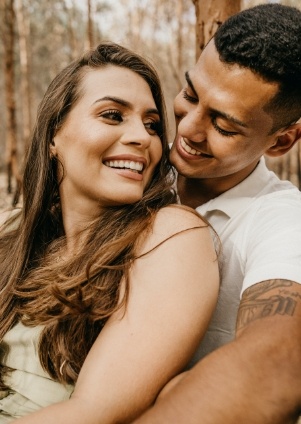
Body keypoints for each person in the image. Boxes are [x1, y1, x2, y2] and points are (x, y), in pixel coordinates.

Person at [0, 42, 219, 423]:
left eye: (152, 125)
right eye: (113, 115)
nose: (142, 137)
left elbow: (93, 412)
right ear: (55, 134)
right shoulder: (12, 230)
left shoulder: (170, 234)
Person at [133, 3, 301, 424]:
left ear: (281, 143)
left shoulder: (282, 220)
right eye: (190, 94)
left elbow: (281, 361)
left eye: (224, 127)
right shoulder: (134, 173)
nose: (188, 129)